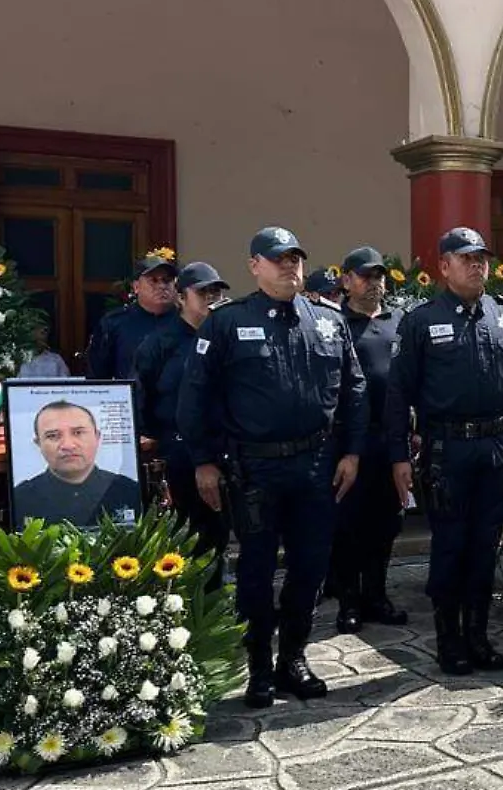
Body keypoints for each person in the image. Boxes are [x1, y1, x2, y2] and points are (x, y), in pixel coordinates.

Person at [179, 226, 367, 707]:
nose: (290, 266)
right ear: (254, 266)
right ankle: (260, 666)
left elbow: (355, 390)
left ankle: (294, 659)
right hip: (256, 470)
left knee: (310, 568)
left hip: (318, 466)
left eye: (296, 258)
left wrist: (351, 451)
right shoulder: (226, 323)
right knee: (257, 573)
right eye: (278, 258)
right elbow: (195, 396)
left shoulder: (328, 321)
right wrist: (203, 460)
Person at [386, 227, 503, 675]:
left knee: (486, 546)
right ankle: (449, 640)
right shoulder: (421, 321)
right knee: (451, 546)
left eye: (482, 257)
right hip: (447, 449)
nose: (477, 265)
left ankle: (479, 636)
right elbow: (398, 393)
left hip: (495, 447)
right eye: (465, 257)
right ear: (443, 266)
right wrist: (398, 456)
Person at [326, 247, 411, 634]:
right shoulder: (334, 323)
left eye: (379, 276)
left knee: (386, 523)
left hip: (391, 441)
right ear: (346, 280)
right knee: (348, 525)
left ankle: (377, 594)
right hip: (348, 444)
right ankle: (349, 601)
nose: (374, 283)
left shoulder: (400, 323)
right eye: (365, 276)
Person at [134, 261, 232, 567]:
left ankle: (213, 608)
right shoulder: (159, 343)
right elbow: (139, 395)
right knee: (179, 541)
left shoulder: (226, 339)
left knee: (217, 537)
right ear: (181, 298)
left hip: (221, 451)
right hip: (175, 453)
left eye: (216, 291)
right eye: (203, 292)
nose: (211, 298)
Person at [12, 400, 143, 526]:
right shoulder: (21, 499)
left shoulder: (130, 491)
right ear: (38, 443)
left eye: (78, 432)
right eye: (53, 435)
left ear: (97, 437)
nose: (68, 445)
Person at [87, 249, 178, 379]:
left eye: (167, 280)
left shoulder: (186, 320)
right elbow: (98, 377)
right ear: (136, 287)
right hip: (132, 397)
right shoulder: (115, 323)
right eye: (153, 280)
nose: (162, 286)